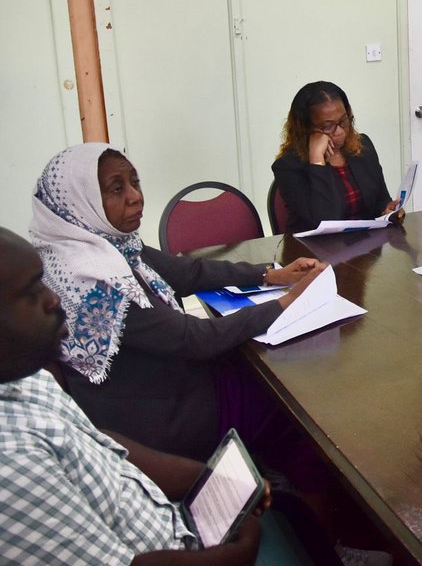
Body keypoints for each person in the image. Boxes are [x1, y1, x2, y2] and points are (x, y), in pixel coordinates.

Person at [29, 143, 322, 462]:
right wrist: (289, 303)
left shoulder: (98, 246)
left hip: (159, 387)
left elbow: (186, 271)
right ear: (78, 202)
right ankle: (300, 498)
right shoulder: (96, 280)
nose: (135, 196)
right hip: (159, 424)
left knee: (262, 369)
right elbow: (194, 338)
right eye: (116, 188)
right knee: (292, 401)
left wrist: (268, 275)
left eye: (134, 181)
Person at [0, 225, 266, 564]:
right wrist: (239, 553)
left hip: (165, 515)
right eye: (30, 292)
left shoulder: (25, 378)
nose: (53, 297)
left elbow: (99, 442)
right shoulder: (12, 465)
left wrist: (207, 478)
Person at [272, 81, 402, 234]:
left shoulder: (362, 147)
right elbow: (324, 221)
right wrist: (317, 160)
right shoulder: (288, 167)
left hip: (365, 247)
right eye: (328, 126)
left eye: (343, 121)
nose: (340, 131)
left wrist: (387, 211)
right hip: (315, 252)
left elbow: (380, 200)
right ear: (305, 128)